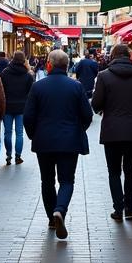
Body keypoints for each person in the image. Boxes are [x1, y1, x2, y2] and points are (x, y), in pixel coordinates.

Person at [23, 49, 93, 240]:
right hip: (69, 141)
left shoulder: (38, 87)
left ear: (49, 64)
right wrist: (78, 130)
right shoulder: (76, 86)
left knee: (47, 180)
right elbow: (87, 114)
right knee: (67, 180)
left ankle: (51, 218)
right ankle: (60, 210)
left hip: (44, 141)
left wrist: (33, 135)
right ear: (67, 66)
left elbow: (28, 116)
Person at [91, 43, 132, 222]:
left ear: (113, 57)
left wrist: (104, 107)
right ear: (129, 57)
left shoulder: (104, 76)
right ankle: (129, 208)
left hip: (112, 131)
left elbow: (96, 104)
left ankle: (118, 209)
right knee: (130, 171)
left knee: (114, 172)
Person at [0, 50, 34, 165]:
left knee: (7, 133)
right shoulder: (27, 75)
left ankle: (8, 154)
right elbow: (30, 93)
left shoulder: (5, 73)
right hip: (21, 107)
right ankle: (18, 156)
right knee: (19, 133)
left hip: (7, 107)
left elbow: (1, 91)